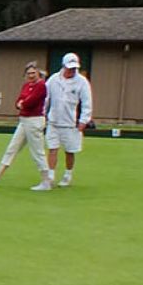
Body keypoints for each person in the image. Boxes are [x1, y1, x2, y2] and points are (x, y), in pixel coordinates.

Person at [0, 62, 53, 189]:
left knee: (37, 152)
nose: (31, 75)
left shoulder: (41, 85)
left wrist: (22, 103)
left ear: (38, 73)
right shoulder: (26, 85)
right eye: (28, 73)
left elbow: (31, 101)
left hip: (34, 121)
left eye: (33, 73)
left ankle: (46, 181)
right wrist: (21, 103)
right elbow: (19, 100)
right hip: (24, 121)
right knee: (12, 148)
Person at [44, 52, 93, 187]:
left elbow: (87, 102)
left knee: (70, 151)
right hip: (53, 121)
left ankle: (67, 175)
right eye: (69, 68)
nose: (72, 70)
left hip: (71, 123)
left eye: (74, 68)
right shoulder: (53, 79)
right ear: (63, 66)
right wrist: (42, 114)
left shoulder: (82, 82)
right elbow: (45, 98)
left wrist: (84, 120)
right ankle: (50, 176)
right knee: (52, 148)